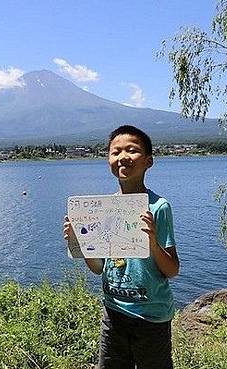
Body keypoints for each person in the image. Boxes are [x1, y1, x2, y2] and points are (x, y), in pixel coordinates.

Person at [63, 125, 179, 369]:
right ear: (108, 160)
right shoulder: (104, 208)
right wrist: (81, 242)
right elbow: (99, 268)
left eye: (132, 150)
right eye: (115, 152)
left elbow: (171, 270)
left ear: (149, 162)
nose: (123, 156)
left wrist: (152, 242)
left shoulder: (158, 207)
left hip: (151, 316)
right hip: (113, 313)